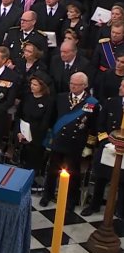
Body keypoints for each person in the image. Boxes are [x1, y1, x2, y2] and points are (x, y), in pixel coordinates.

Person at [40, 72, 97, 212]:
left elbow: (93, 126)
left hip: (76, 143)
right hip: (59, 140)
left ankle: (71, 200)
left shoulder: (91, 103)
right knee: (52, 169)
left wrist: (89, 146)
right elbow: (52, 118)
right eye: (71, 83)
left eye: (77, 85)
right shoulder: (61, 98)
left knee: (73, 173)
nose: (73, 87)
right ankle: (47, 194)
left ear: (84, 85)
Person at [14, 72, 54, 185]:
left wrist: (30, 137)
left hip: (36, 139)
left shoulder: (49, 101)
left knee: (32, 163)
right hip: (21, 135)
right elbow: (18, 116)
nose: (32, 86)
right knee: (21, 162)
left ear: (42, 86)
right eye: (31, 84)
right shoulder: (27, 97)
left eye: (35, 85)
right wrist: (18, 132)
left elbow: (45, 123)